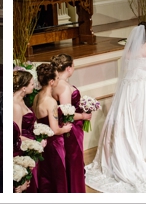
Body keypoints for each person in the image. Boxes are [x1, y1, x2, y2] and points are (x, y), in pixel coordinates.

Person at [84, 24, 146, 193]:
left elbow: (136, 73)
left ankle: (127, 154)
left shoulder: (130, 50)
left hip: (128, 90)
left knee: (128, 123)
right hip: (143, 90)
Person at [51, 54, 89, 193]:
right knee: (74, 162)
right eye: (73, 66)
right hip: (71, 130)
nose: (74, 68)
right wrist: (84, 115)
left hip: (66, 127)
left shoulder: (54, 82)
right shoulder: (63, 86)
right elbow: (66, 112)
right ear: (68, 68)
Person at [31, 63, 71, 193]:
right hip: (53, 144)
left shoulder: (37, 97)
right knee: (58, 177)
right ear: (52, 82)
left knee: (46, 176)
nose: (59, 80)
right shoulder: (51, 102)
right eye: (57, 78)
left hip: (42, 143)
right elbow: (54, 130)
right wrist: (65, 129)